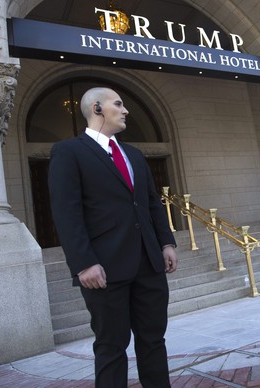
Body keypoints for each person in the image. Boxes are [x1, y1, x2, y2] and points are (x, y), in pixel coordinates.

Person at [48, 87, 178, 387]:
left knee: (154, 341)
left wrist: (166, 243)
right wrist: (84, 264)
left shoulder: (133, 153)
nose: (125, 110)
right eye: (118, 104)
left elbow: (150, 203)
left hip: (149, 263)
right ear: (97, 108)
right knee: (110, 346)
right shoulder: (69, 152)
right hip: (104, 269)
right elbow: (66, 213)